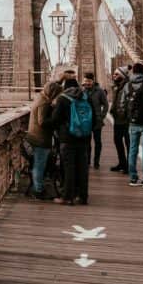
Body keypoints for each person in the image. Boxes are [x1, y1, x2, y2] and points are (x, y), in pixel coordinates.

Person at [50, 77, 92, 205]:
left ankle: (68, 197)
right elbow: (93, 116)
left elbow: (55, 119)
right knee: (82, 168)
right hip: (84, 138)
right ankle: (83, 196)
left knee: (69, 168)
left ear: (64, 87)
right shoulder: (85, 97)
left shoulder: (63, 98)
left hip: (67, 138)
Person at [26, 82, 63, 200]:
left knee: (38, 164)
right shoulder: (44, 103)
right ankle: (38, 191)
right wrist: (55, 121)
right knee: (39, 165)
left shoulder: (40, 98)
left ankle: (38, 188)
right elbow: (42, 121)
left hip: (35, 137)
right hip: (40, 138)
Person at [81, 72, 108, 169]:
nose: (87, 83)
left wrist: (102, 116)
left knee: (97, 142)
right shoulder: (81, 91)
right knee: (86, 142)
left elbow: (106, 105)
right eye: (85, 81)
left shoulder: (100, 91)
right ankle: (87, 161)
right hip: (85, 121)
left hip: (97, 120)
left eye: (89, 81)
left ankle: (96, 162)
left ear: (93, 81)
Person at [109, 67, 131, 173]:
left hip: (126, 120)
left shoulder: (128, 86)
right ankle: (122, 163)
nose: (114, 76)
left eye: (116, 74)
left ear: (123, 76)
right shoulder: (116, 86)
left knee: (128, 144)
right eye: (114, 74)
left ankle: (129, 166)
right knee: (118, 142)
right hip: (118, 119)